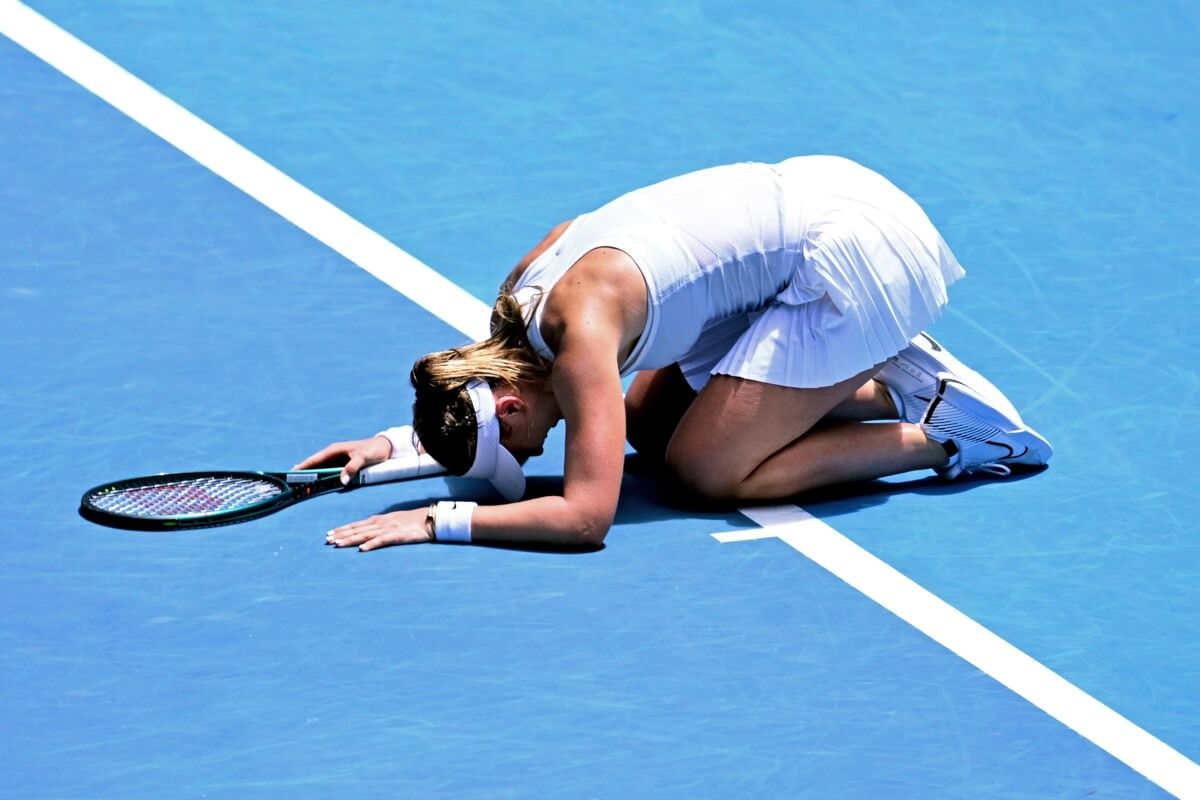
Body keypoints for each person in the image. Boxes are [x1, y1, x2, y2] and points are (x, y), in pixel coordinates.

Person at [296, 156, 1051, 551]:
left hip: (863, 257)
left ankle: (949, 431)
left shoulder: (580, 341)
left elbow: (588, 518)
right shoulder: (520, 305)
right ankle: (886, 378)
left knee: (702, 470)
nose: (529, 462)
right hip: (832, 196)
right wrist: (395, 448)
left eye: (517, 449)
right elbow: (488, 408)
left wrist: (437, 520)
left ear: (514, 402)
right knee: (647, 433)